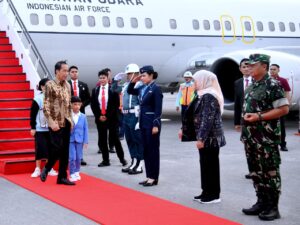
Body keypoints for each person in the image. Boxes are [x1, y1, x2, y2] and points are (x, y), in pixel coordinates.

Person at [241, 54, 289, 221]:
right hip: (250, 138)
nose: (249, 68)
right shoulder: (252, 85)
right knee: (255, 172)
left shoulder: (273, 85)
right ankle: (261, 202)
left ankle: (273, 208)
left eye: (253, 65)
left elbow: (284, 109)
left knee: (270, 172)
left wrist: (258, 117)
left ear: (264, 66)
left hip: (266, 139)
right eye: (248, 65)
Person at [179, 70, 226, 204]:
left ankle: (213, 195)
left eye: (196, 80)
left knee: (210, 166)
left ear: (204, 80)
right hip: (206, 138)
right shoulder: (202, 95)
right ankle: (206, 191)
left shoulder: (209, 96)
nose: (194, 82)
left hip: (210, 138)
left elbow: (207, 119)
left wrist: (201, 138)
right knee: (205, 165)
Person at [40, 60, 75, 185]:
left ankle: (62, 177)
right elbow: (46, 106)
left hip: (66, 121)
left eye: (67, 71)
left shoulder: (68, 85)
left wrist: (71, 121)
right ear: (57, 71)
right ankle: (47, 168)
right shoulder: (50, 84)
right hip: (55, 122)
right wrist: (51, 122)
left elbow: (69, 105)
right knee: (57, 148)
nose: (67, 73)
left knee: (65, 150)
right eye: (64, 70)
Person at [127, 65, 163, 186]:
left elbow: (158, 109)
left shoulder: (156, 89)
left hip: (152, 124)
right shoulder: (143, 88)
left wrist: (156, 124)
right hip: (143, 123)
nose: (142, 77)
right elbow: (130, 91)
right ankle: (149, 176)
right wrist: (133, 81)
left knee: (153, 151)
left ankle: (154, 177)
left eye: (144, 75)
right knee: (146, 150)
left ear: (151, 75)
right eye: (141, 75)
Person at [90, 70, 127, 167]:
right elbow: (93, 105)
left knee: (115, 139)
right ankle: (105, 160)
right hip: (100, 119)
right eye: (100, 78)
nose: (102, 79)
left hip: (111, 118)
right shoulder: (95, 90)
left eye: (104, 78)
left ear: (107, 78)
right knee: (102, 140)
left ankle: (122, 159)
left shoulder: (112, 90)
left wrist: (106, 116)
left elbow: (115, 105)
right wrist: (99, 116)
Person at [114, 64, 144, 174]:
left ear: (136, 74)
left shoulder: (140, 85)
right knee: (130, 140)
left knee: (137, 140)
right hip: (126, 116)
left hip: (135, 115)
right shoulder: (127, 85)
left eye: (130, 73)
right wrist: (114, 81)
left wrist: (140, 119)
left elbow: (142, 102)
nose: (128, 76)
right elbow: (115, 90)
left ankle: (140, 164)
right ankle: (134, 161)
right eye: (128, 74)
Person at [30, 78, 58, 178]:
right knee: (40, 149)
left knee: (51, 149)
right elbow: (32, 114)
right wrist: (33, 127)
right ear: (42, 87)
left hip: (51, 128)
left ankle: (48, 168)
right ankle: (37, 169)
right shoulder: (37, 99)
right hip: (40, 129)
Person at [234, 58, 253, 179]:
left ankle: (261, 171)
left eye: (248, 66)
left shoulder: (257, 81)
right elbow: (237, 103)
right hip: (244, 120)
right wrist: (237, 122)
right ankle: (252, 171)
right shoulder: (238, 82)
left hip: (258, 119)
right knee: (248, 146)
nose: (246, 69)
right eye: (243, 67)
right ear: (240, 69)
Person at [68, 65, 91, 165]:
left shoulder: (83, 85)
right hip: (70, 112)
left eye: (76, 71)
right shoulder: (66, 84)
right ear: (69, 73)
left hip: (80, 112)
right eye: (72, 71)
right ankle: (71, 156)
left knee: (80, 134)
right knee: (71, 134)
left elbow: (88, 98)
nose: (74, 73)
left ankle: (80, 157)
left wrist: (81, 106)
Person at [269, 64, 291, 151]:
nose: (272, 71)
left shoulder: (283, 80)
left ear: (278, 70)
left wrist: (287, 105)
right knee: (269, 127)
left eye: (274, 69)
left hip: (279, 106)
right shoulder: (267, 80)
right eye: (270, 69)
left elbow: (287, 93)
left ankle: (282, 144)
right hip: (269, 107)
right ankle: (271, 144)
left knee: (281, 126)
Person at [69, 96, 88, 182]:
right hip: (70, 139)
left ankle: (77, 171)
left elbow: (85, 129)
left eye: (78, 104)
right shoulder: (68, 115)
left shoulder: (83, 116)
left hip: (80, 139)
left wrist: (86, 141)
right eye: (75, 104)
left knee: (79, 157)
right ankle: (72, 173)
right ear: (71, 105)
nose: (77, 106)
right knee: (72, 157)